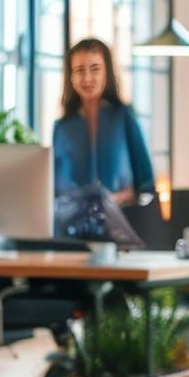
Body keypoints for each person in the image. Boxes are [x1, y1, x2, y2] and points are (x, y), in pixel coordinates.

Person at [51, 38, 155, 239]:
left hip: (121, 230)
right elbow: (53, 187)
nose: (87, 78)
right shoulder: (62, 127)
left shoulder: (124, 117)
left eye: (95, 69)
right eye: (80, 70)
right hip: (71, 233)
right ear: (70, 77)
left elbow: (146, 182)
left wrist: (117, 199)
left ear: (107, 72)